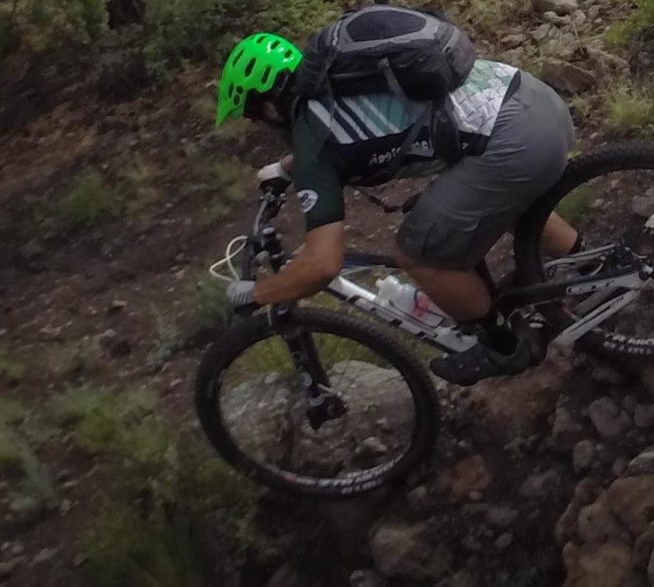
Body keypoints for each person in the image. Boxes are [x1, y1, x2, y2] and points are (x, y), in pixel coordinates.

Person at [212, 21, 580, 384]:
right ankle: (587, 266)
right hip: (537, 102)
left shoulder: (313, 145)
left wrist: (257, 293)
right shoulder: (333, 82)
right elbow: (356, 129)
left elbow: (323, 264)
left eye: (253, 116)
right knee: (473, 198)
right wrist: (284, 168)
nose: (261, 126)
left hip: (519, 144)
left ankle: (505, 347)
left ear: (271, 109)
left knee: (417, 252)